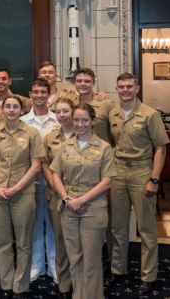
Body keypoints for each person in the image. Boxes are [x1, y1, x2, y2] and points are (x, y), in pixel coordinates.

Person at [105, 73, 169, 296]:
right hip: (118, 170)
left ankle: (148, 275)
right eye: (121, 86)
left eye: (129, 86)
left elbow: (161, 148)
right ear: (117, 88)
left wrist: (154, 179)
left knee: (146, 228)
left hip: (142, 171)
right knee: (117, 226)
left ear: (137, 88)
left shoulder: (149, 115)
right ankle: (117, 269)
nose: (125, 90)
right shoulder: (113, 112)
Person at [51, 103, 117, 299]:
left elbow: (106, 182)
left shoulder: (104, 148)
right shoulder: (65, 146)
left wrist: (81, 200)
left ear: (94, 121)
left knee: (91, 258)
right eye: (77, 120)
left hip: (93, 207)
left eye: (85, 120)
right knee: (74, 257)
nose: (80, 124)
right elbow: (55, 175)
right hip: (68, 206)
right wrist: (66, 198)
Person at [0, 96, 44, 298]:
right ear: (2, 109)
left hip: (23, 193)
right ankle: (6, 284)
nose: (11, 110)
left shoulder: (32, 133)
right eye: (8, 106)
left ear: (21, 109)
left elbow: (36, 165)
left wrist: (17, 187)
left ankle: (20, 286)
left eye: (15, 106)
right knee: (1, 241)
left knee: (23, 242)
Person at [74, 67, 115, 268]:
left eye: (87, 81)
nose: (83, 84)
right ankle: (83, 256)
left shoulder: (105, 103)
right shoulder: (70, 103)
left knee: (102, 214)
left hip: (100, 165)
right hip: (75, 164)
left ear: (93, 82)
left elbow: (116, 131)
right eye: (79, 80)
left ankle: (107, 258)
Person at [20, 79, 59, 283]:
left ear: (48, 93)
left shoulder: (58, 119)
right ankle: (36, 266)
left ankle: (53, 266)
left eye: (43, 92)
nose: (40, 95)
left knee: (53, 224)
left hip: (54, 181)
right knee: (34, 224)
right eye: (36, 92)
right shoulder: (23, 121)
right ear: (30, 94)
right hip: (32, 180)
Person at [40, 98, 76, 299]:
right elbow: (44, 164)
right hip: (55, 195)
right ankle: (64, 285)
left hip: (79, 197)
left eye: (66, 111)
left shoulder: (84, 134)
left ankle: (80, 282)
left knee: (79, 243)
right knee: (60, 241)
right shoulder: (50, 137)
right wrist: (55, 186)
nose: (62, 115)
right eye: (58, 111)